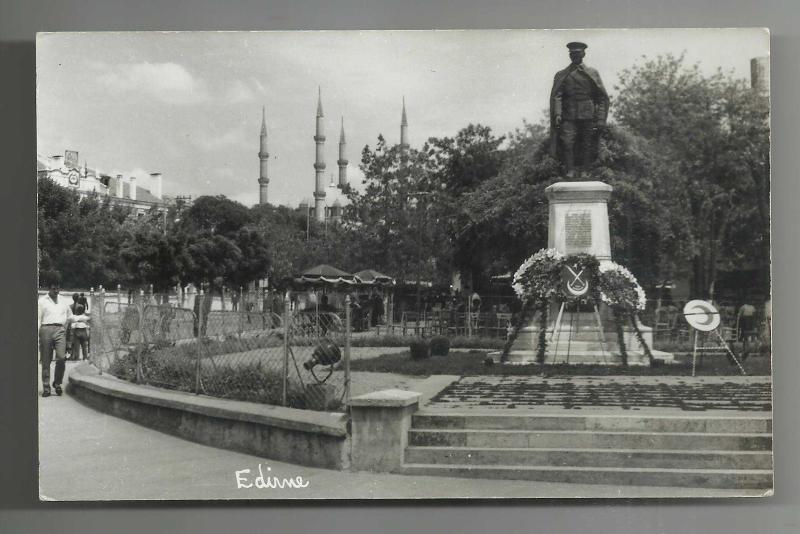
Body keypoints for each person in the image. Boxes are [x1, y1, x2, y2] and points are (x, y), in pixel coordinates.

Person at [549, 42, 610, 178]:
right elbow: (557, 96)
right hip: (568, 114)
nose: (575, 56)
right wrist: (557, 113)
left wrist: (601, 119)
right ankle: (570, 170)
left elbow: (601, 97)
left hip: (588, 114)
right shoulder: (562, 74)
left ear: (583, 54)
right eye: (572, 53)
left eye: (577, 53)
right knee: (567, 143)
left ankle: (585, 171)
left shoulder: (592, 73)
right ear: (569, 55)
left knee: (587, 144)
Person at [38, 284, 90, 397]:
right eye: (54, 289)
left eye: (58, 288)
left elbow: (70, 317)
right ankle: (46, 387)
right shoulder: (42, 301)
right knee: (46, 360)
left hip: (60, 330)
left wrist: (85, 318)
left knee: (61, 358)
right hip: (45, 329)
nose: (56, 291)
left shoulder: (63, 300)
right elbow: (38, 319)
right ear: (49, 289)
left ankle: (57, 383)